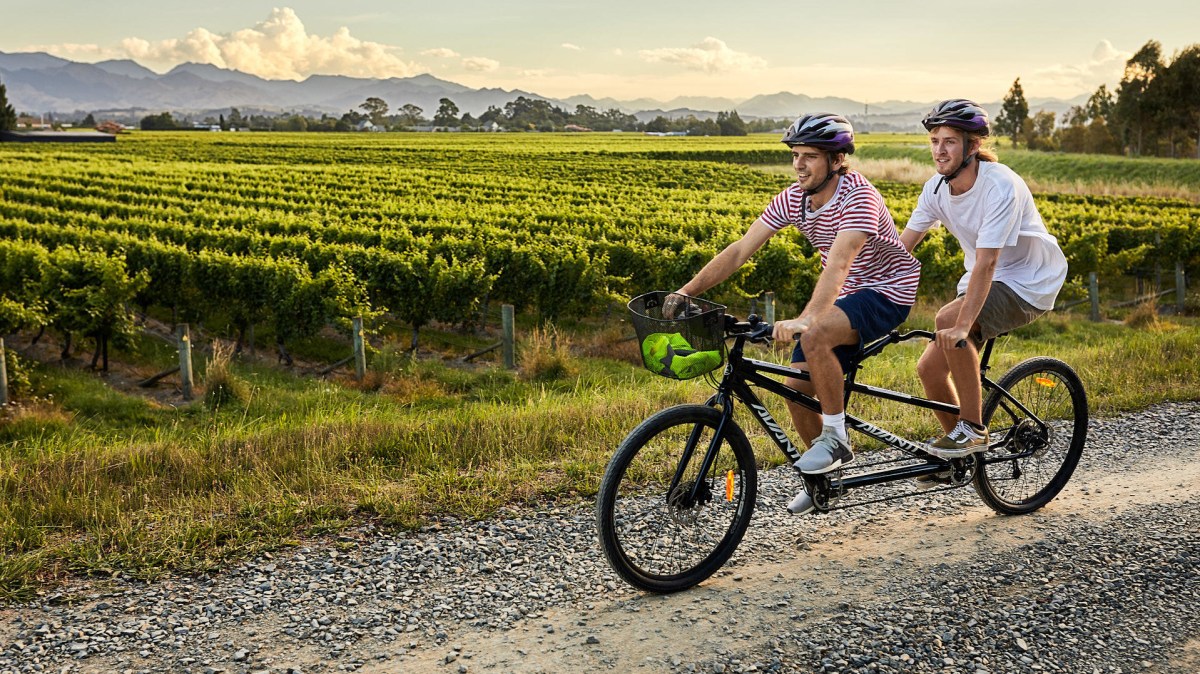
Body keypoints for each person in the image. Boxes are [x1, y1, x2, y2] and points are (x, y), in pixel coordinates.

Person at [664, 112, 921, 514]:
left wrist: (807, 319)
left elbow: (839, 265)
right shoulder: (794, 198)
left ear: (837, 160)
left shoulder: (859, 198)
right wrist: (686, 291)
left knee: (814, 335)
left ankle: (835, 438)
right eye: (795, 155)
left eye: (810, 156)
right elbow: (739, 250)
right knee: (796, 388)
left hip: (887, 290)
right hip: (847, 295)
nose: (799, 164)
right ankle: (824, 481)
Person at [899, 99, 1067, 473]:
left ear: (972, 147)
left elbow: (988, 261)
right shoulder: (936, 189)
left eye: (950, 142)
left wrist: (960, 324)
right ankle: (956, 459)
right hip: (984, 280)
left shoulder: (1000, 184)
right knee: (928, 370)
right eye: (934, 141)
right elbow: (902, 247)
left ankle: (972, 428)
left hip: (1028, 280)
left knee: (949, 320)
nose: (939, 150)